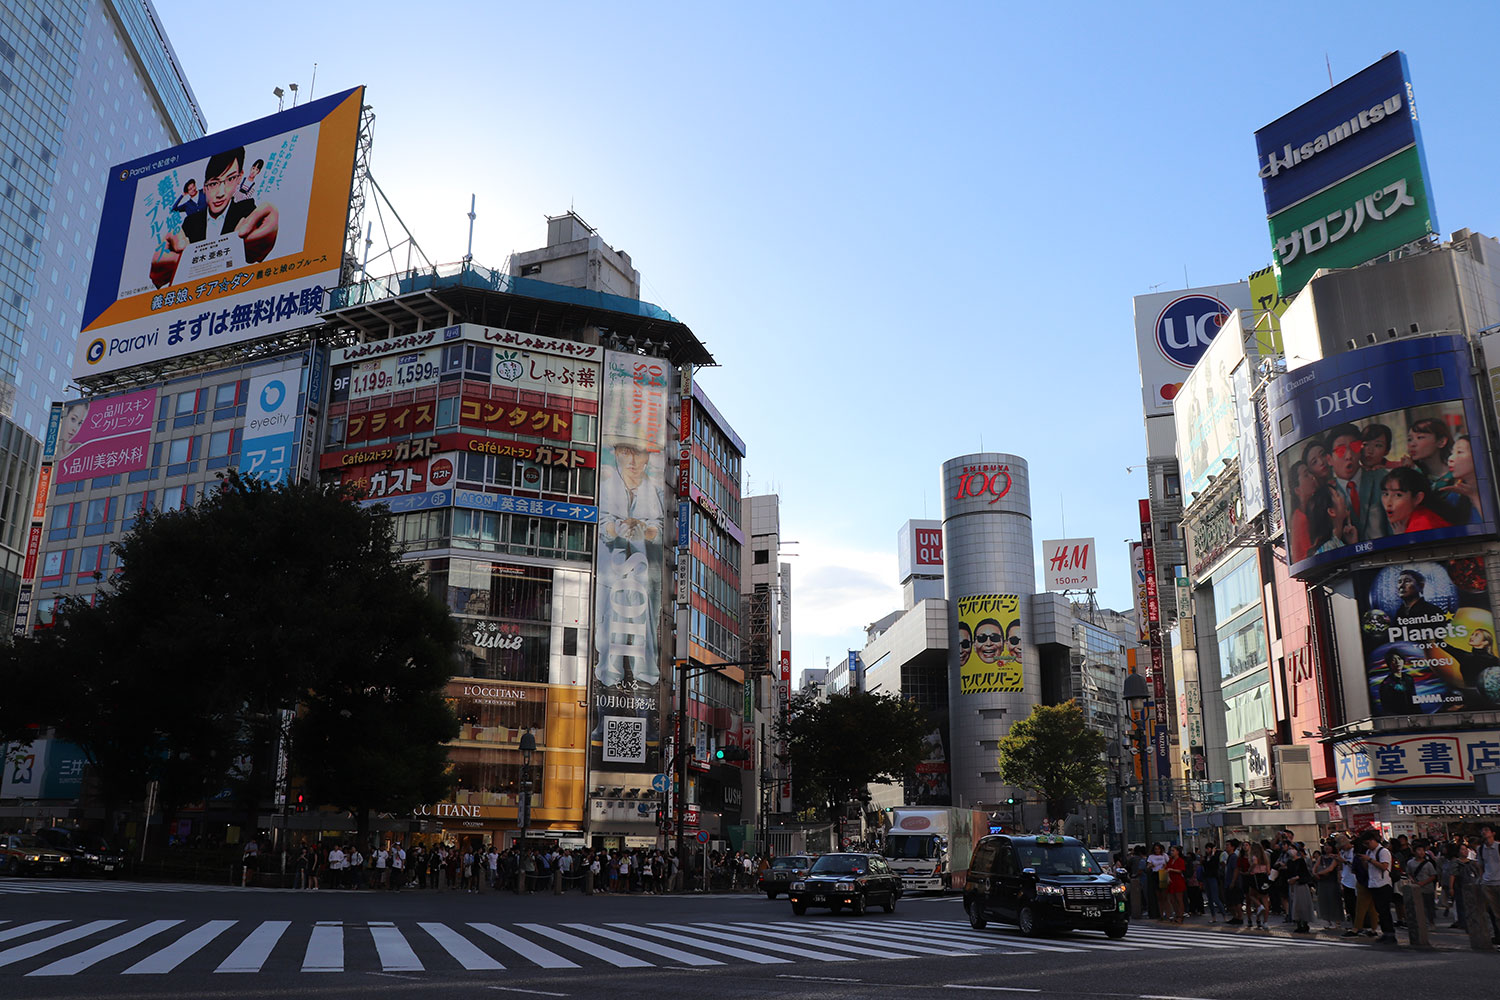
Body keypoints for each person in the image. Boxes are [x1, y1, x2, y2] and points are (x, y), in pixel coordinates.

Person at [149, 145, 279, 288]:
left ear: (239, 178)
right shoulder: (190, 223)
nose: (221, 192)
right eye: (214, 183)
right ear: (204, 188)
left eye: (230, 179)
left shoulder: (246, 211)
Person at [1326, 423, 1372, 540]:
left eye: (1354, 447)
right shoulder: (1327, 496)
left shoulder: (1381, 478)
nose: (1349, 455)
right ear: (1329, 459)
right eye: (1341, 450)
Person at [1380, 467, 1452, 534]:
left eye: (1398, 495)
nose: (1388, 503)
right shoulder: (1416, 518)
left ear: (1418, 498)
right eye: (1385, 494)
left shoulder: (1422, 526)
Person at [1437, 434, 1484, 523]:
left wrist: (1474, 496)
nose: (1450, 458)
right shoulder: (1456, 495)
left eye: (1459, 452)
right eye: (1451, 453)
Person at [1363, 830, 1398, 944]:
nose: (1367, 846)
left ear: (1373, 840)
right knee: (1379, 910)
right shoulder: (1369, 851)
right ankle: (1385, 933)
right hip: (1373, 883)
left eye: (1368, 843)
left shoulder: (1383, 852)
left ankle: (1390, 934)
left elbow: (1384, 866)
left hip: (1383, 884)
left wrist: (1370, 860)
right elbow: (1368, 868)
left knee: (1384, 910)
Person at [1307, 483, 1358, 554]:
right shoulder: (1329, 550)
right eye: (1338, 495)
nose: (1343, 498)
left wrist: (1353, 545)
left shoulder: (1335, 545)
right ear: (1331, 511)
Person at [1404, 417, 1454, 488]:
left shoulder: (1459, 474)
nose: (1412, 444)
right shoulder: (1409, 473)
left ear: (1441, 442)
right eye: (1409, 439)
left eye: (1420, 437)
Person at [1286, 461, 1319, 563]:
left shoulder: (1305, 512)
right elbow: (1309, 554)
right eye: (1306, 475)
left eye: (1309, 473)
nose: (1311, 477)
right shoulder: (1300, 518)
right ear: (1297, 490)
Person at [1377, 651, 1418, 715]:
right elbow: (1387, 707)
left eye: (1399, 659)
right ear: (1389, 664)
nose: (1397, 662)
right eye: (1393, 660)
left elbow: (1414, 699)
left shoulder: (1409, 679)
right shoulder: (1386, 684)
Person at [1314, 840, 1343, 930]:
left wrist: (1319, 873)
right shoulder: (1321, 857)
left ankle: (1336, 920)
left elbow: (1331, 868)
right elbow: (1314, 866)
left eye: (1329, 846)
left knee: (1333, 900)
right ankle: (1327, 919)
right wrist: (1314, 873)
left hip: (1332, 881)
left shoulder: (1335, 857)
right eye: (1325, 845)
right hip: (1322, 881)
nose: (1326, 847)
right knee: (1323, 901)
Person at [1285, 845, 1314, 933]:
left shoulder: (1301, 861)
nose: (1291, 851)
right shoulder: (1289, 862)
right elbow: (1288, 873)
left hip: (1301, 884)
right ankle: (1298, 923)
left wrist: (1297, 878)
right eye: (1289, 849)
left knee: (1302, 904)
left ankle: (1304, 923)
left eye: (1292, 849)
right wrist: (1289, 880)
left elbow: (1305, 873)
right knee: (1295, 905)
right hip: (1292, 885)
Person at [1163, 845, 1187, 923]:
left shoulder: (1180, 860)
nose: (1171, 852)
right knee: (1172, 899)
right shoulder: (1170, 860)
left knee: (1179, 899)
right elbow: (1166, 868)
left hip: (1178, 881)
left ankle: (1180, 915)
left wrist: (1171, 869)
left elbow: (1181, 870)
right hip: (1171, 881)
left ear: (1177, 852)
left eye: (1173, 851)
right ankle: (1176, 914)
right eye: (1171, 851)